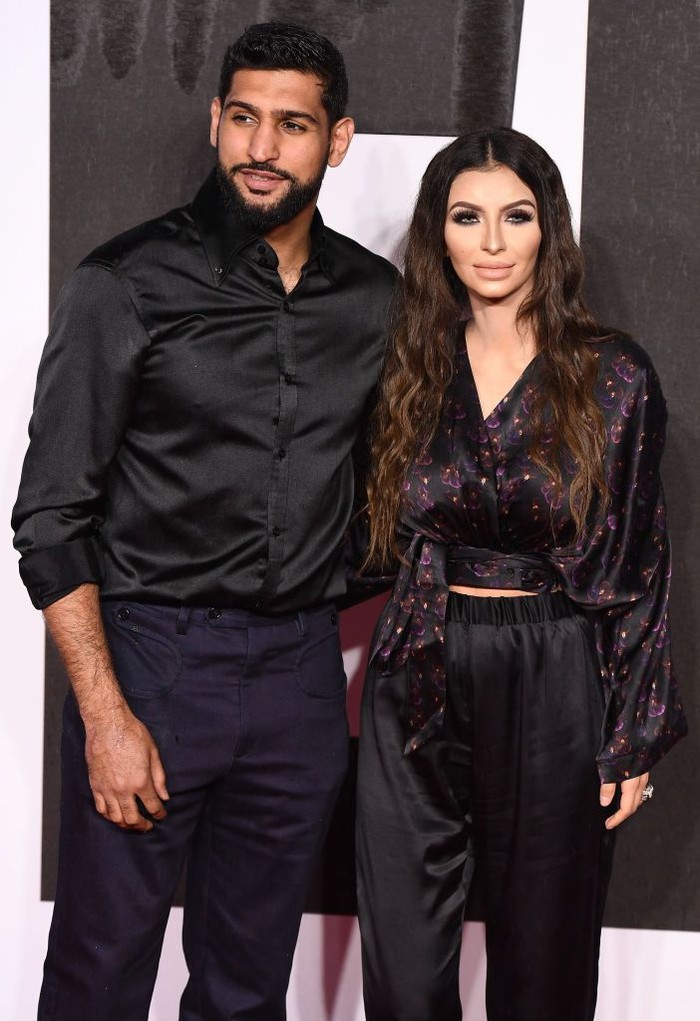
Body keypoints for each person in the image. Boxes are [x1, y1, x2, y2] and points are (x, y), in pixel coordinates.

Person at [12, 21, 396, 1021]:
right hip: (152, 664)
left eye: (292, 125)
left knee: (246, 986)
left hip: (302, 679)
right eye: (243, 118)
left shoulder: (376, 300)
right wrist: (105, 717)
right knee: (99, 976)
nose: (263, 148)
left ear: (337, 139)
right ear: (215, 121)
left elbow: (392, 484)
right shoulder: (124, 283)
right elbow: (51, 517)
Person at [355, 127, 686, 1021]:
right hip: (416, 659)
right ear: (439, 231)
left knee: (545, 962)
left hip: (553, 663)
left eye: (516, 216)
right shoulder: (402, 368)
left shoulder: (611, 373)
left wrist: (632, 730)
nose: (492, 243)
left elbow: (640, 556)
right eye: (468, 217)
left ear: (549, 230)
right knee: (402, 971)